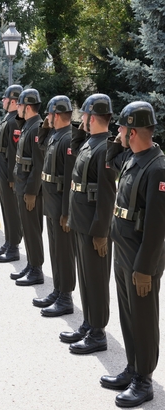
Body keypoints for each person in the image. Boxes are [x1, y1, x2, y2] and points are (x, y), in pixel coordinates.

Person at [101, 101, 165, 407]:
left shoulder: (158, 167)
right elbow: (110, 164)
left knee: (144, 319)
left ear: (135, 131)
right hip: (122, 252)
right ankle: (132, 366)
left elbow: (156, 226)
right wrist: (117, 143)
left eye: (123, 129)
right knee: (128, 317)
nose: (118, 133)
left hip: (141, 259)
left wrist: (145, 268)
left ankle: (144, 380)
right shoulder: (133, 158)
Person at [60, 93, 116, 355]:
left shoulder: (105, 147)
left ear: (92, 117)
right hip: (82, 221)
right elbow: (75, 151)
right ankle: (88, 323)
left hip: (94, 227)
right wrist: (79, 129)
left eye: (84, 115)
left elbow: (107, 196)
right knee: (85, 277)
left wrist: (101, 232)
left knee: (95, 280)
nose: (81, 119)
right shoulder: (90, 141)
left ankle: (98, 332)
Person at [34, 96, 77, 317]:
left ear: (57, 115)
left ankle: (66, 297)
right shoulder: (54, 135)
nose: (47, 118)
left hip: (60, 206)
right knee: (55, 250)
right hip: (51, 204)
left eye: (49, 115)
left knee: (64, 253)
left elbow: (70, 176)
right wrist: (44, 127)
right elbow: (41, 146)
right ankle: (58, 290)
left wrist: (67, 212)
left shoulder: (68, 138)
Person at [11, 89, 45, 286]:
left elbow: (38, 164)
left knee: (32, 229)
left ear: (29, 107)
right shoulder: (28, 125)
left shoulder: (36, 128)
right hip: (22, 184)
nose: (18, 108)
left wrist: (32, 191)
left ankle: (36, 269)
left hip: (30, 189)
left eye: (21, 105)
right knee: (26, 226)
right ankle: (31, 264)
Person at [0, 85, 23, 262]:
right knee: (5, 208)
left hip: (7, 171)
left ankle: (13, 246)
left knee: (11, 211)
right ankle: (8, 241)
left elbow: (12, 151)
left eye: (5, 98)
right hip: (1, 168)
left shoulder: (13, 121)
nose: (2, 101)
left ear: (13, 101)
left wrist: (11, 178)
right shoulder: (8, 118)